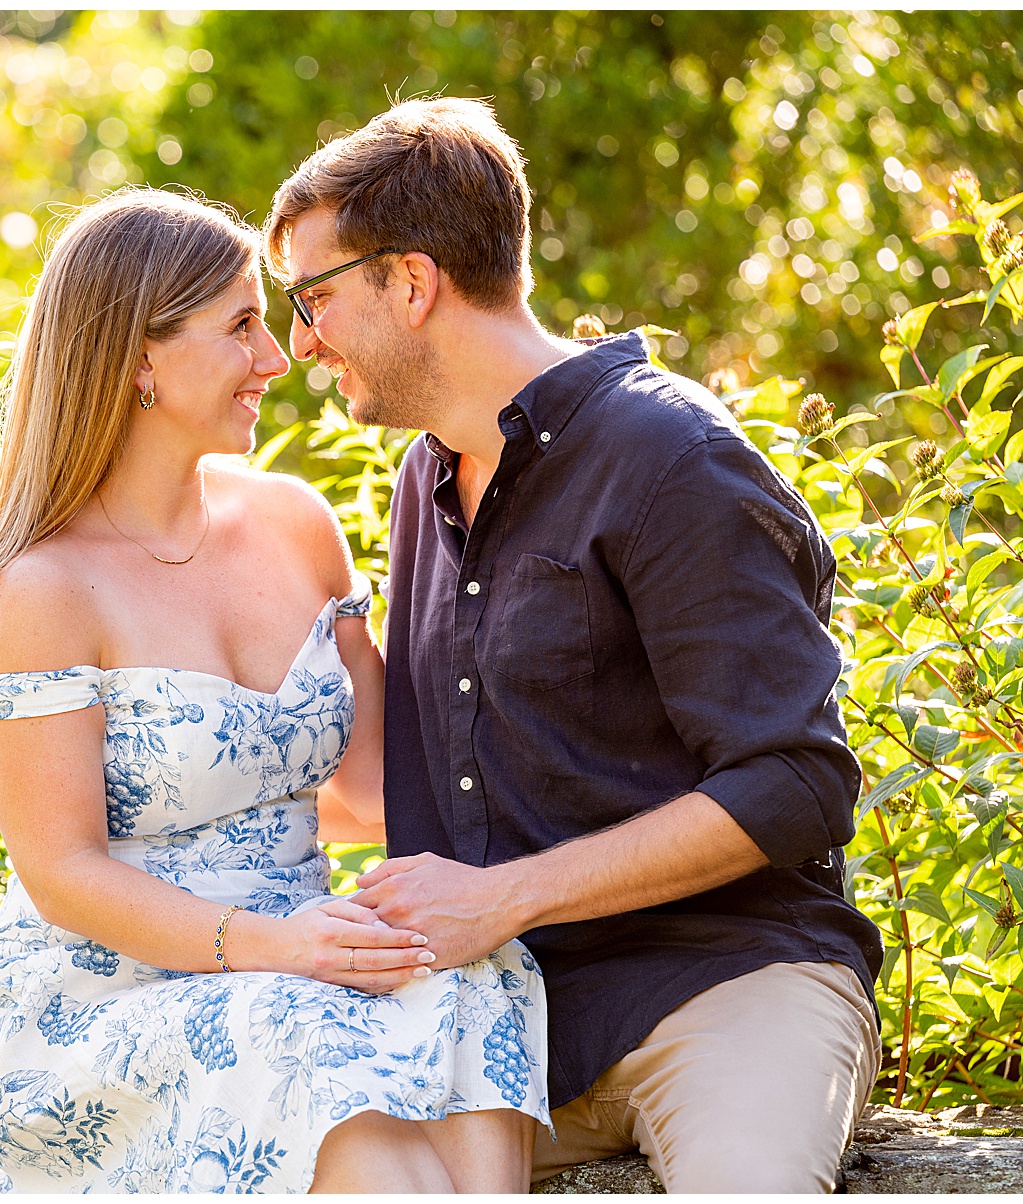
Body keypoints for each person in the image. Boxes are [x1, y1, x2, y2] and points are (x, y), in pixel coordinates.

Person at [263, 98, 886, 1193]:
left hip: (726, 982)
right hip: (501, 1017)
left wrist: (507, 897)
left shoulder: (673, 457)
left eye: (312, 299)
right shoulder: (426, 477)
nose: (300, 341)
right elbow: (410, 775)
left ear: (411, 284)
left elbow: (796, 781)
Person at [0, 188, 549, 1194]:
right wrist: (277, 947)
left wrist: (525, 871)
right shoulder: (37, 589)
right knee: (292, 1029)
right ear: (138, 357)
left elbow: (381, 795)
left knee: (478, 969)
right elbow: (64, 871)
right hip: (115, 991)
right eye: (242, 326)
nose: (278, 356)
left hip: (301, 942)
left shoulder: (297, 524)